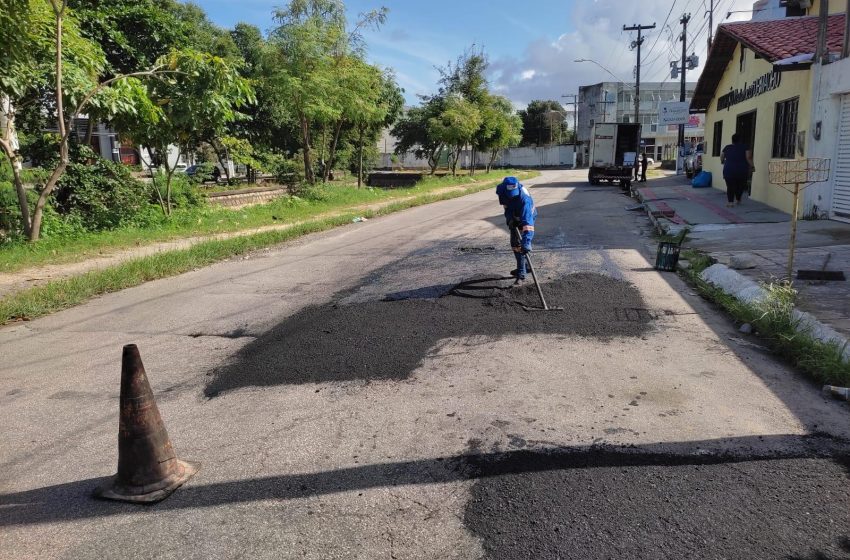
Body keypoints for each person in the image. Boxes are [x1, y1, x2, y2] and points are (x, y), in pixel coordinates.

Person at [496, 176, 537, 283]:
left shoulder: (524, 199)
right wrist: (510, 219)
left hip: (526, 216)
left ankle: (521, 273)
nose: (511, 197)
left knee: (521, 245)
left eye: (513, 194)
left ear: (517, 188)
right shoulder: (501, 191)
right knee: (515, 244)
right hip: (514, 216)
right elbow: (506, 207)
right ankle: (524, 266)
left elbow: (528, 223)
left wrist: (527, 242)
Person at [720, 133, 755, 207]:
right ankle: (738, 199)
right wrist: (752, 166)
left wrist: (722, 161)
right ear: (740, 140)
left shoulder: (727, 147)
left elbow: (722, 156)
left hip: (728, 170)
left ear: (732, 140)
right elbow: (748, 157)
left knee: (730, 186)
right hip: (741, 170)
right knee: (740, 186)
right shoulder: (745, 147)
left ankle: (730, 202)